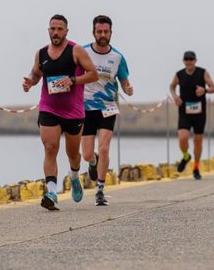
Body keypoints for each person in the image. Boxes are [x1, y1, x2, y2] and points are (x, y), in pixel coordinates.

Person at [22, 14, 99, 211]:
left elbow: (93, 74)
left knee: (73, 154)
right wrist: (30, 81)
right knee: (50, 148)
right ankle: (52, 192)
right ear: (48, 30)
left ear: (66, 31)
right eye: (52, 29)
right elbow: (36, 73)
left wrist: (73, 80)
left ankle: (74, 176)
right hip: (49, 108)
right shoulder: (41, 53)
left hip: (73, 112)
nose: (55, 33)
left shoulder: (76, 50)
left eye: (59, 29)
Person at [81, 15, 133, 206]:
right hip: (86, 107)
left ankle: (100, 190)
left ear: (111, 32)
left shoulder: (117, 57)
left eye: (106, 31)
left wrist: (128, 87)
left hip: (108, 107)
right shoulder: (83, 52)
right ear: (93, 32)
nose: (103, 35)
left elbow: (124, 79)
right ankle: (92, 162)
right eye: (99, 31)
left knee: (104, 148)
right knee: (86, 154)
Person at [169, 51, 214, 180]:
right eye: (186, 59)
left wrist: (204, 90)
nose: (189, 62)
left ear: (195, 61)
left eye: (191, 59)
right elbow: (172, 86)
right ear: (183, 61)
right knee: (182, 137)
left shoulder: (202, 72)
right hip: (184, 110)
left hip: (199, 112)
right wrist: (175, 96)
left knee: (198, 140)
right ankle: (186, 156)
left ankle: (196, 167)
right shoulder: (179, 74)